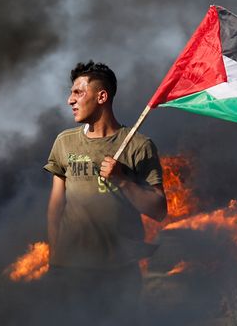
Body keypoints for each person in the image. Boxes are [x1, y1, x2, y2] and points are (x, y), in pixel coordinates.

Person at [43, 61, 167, 323]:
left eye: (78, 92)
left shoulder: (138, 145)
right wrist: (55, 258)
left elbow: (159, 210)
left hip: (118, 273)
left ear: (102, 96)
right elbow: (56, 205)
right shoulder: (65, 142)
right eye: (71, 93)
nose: (70, 100)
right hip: (69, 271)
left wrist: (122, 179)